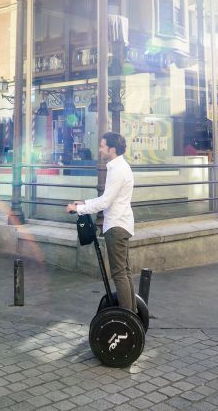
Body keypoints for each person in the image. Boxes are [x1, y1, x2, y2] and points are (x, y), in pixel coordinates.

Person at [66, 132, 137, 313]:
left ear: (112, 149)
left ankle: (127, 317)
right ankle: (132, 314)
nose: (100, 149)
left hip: (116, 225)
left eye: (103, 146)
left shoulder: (118, 170)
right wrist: (84, 203)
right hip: (122, 223)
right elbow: (108, 198)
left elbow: (106, 202)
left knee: (119, 273)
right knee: (125, 272)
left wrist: (78, 209)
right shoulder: (119, 167)